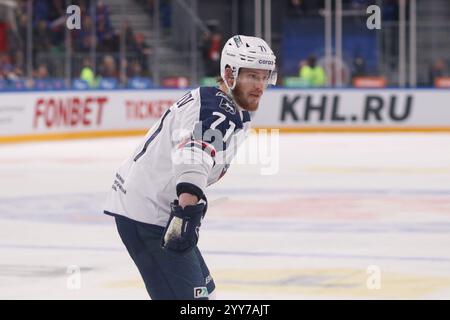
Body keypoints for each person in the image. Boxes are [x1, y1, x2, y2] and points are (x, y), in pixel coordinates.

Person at [103, 35, 277, 300]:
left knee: (207, 294)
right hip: (149, 215)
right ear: (229, 74)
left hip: (149, 206)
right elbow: (194, 154)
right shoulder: (220, 109)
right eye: (253, 76)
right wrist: (187, 212)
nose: (261, 86)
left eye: (265, 77)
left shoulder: (221, 103)